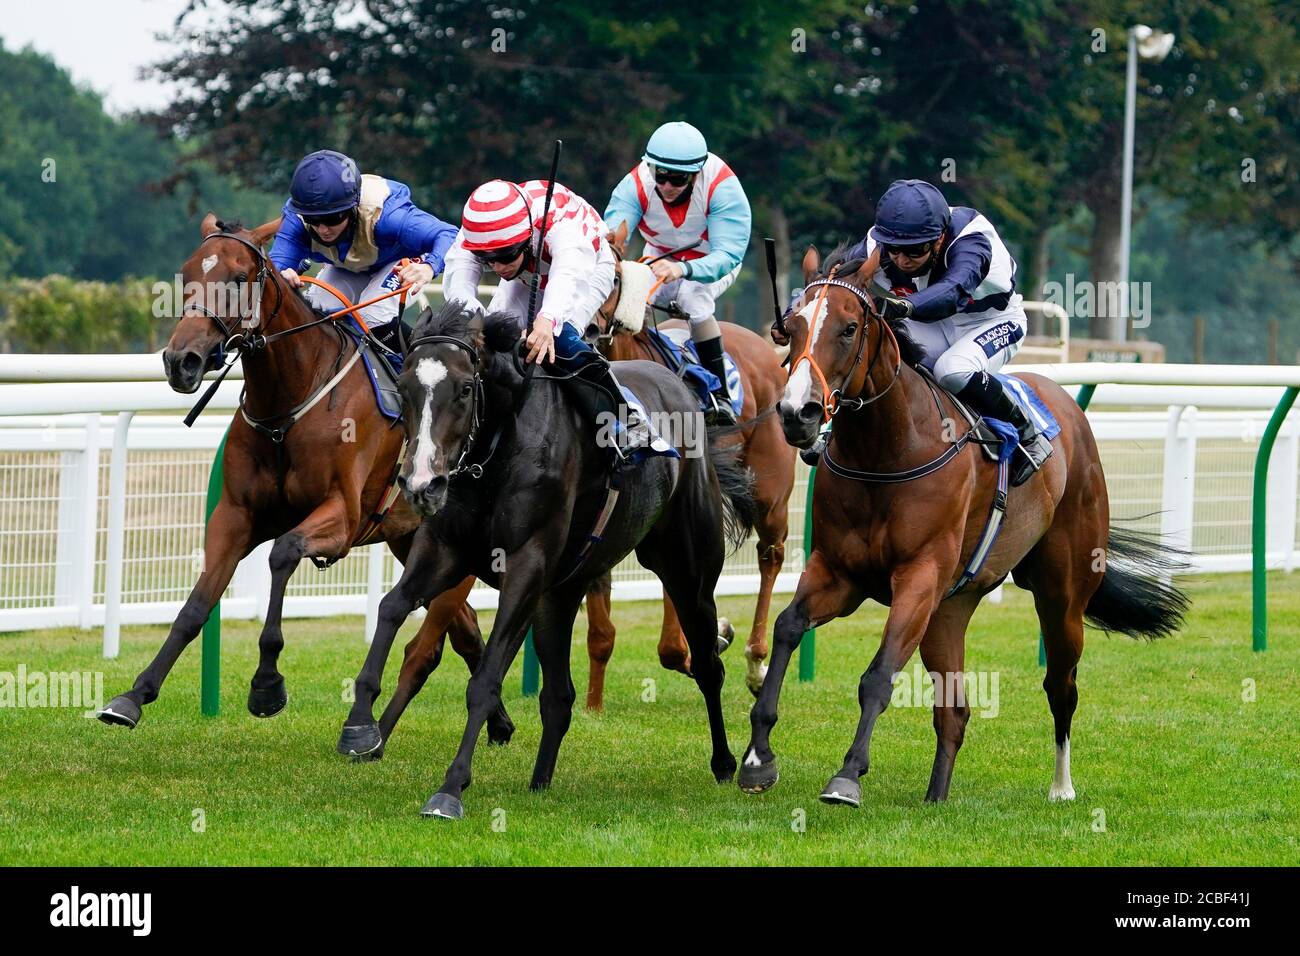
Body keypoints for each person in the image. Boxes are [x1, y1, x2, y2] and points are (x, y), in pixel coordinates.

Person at [798, 178, 1053, 485]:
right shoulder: (879, 243)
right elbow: (830, 286)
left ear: (939, 238)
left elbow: (952, 290)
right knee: (879, 351)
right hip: (931, 322)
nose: (901, 260)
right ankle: (833, 431)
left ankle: (1028, 432)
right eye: (892, 250)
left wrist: (903, 307)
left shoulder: (972, 240)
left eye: (914, 251)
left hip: (990, 322)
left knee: (952, 370)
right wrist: (792, 315)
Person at [441, 178, 649, 460]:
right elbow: (459, 286)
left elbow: (567, 276)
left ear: (526, 238)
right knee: (492, 340)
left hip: (589, 264)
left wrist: (547, 320)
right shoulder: (478, 232)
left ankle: (627, 421)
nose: (498, 267)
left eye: (504, 256)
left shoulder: (562, 229)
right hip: (529, 268)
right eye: (486, 259)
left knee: (558, 340)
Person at [604, 121, 751, 425]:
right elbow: (611, 237)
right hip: (659, 253)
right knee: (626, 296)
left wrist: (684, 268)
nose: (667, 186)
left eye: (678, 179)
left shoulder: (722, 187)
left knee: (692, 299)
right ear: (651, 168)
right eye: (661, 176)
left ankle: (719, 393)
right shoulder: (635, 184)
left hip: (713, 259)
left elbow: (728, 255)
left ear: (697, 173)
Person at [268, 149, 457, 353]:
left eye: (333, 218)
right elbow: (274, 269)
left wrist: (429, 267)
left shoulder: (388, 216)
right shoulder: (296, 221)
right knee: (316, 313)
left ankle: (423, 368)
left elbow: (449, 234)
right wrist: (280, 275)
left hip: (400, 260)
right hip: (351, 267)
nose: (323, 229)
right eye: (313, 219)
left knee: (372, 315)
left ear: (353, 207)